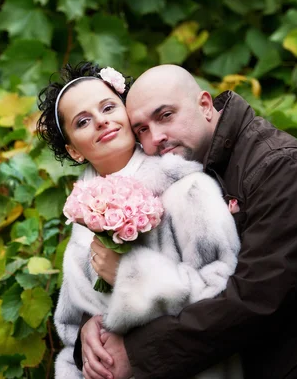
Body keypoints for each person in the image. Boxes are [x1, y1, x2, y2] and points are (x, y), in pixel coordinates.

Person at [77, 65, 297, 379]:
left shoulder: (282, 168)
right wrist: (99, 331)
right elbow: (177, 282)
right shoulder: (182, 175)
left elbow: (257, 299)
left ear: (204, 105)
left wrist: (134, 352)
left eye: (165, 116)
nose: (156, 137)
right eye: (142, 129)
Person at [36, 62, 243, 379]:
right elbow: (75, 324)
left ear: (127, 113)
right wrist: (84, 341)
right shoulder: (82, 214)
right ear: (74, 151)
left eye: (108, 107)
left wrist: (133, 275)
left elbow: (223, 293)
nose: (101, 121)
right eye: (83, 121)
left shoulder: (186, 188)